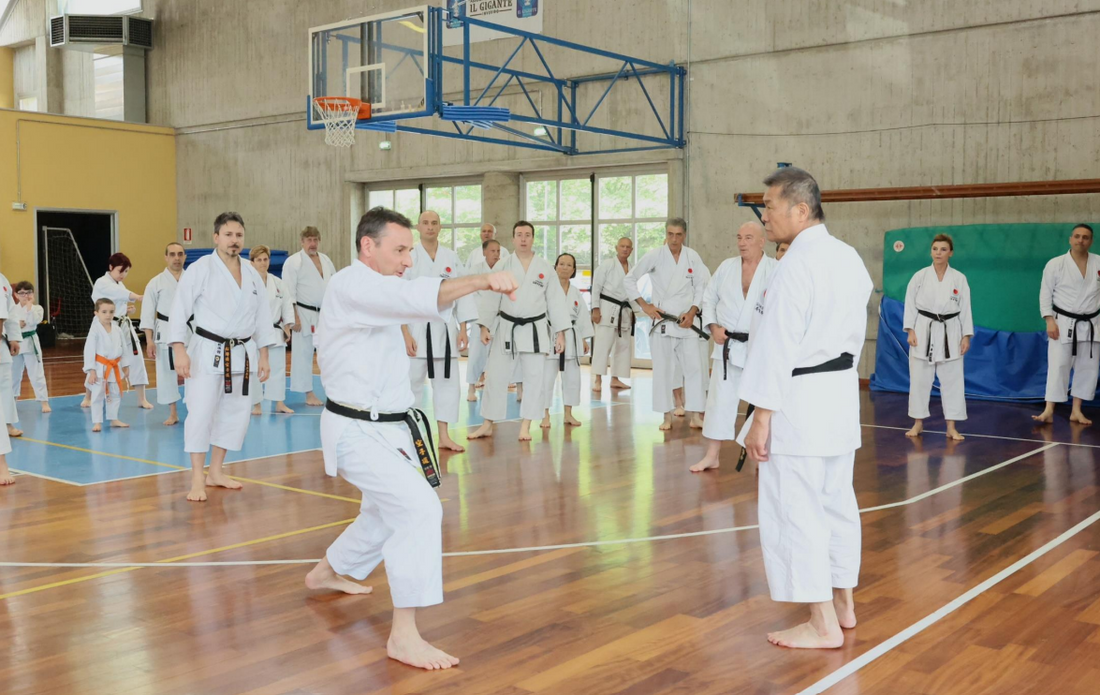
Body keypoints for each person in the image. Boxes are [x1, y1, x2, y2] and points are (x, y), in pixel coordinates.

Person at [304, 206, 519, 671]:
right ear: (368, 246)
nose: (407, 259)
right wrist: (483, 280)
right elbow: (418, 295)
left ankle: (328, 570)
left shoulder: (376, 290)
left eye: (408, 250)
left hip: (392, 428)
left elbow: (405, 301)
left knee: (383, 514)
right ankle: (404, 636)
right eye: (399, 250)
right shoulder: (350, 283)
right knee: (420, 510)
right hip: (356, 431)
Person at [739, 167, 873, 649]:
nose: (764, 215)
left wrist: (761, 416)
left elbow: (777, 344)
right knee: (837, 503)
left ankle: (821, 624)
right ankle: (844, 604)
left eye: (769, 206)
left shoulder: (795, 264)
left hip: (798, 401)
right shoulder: (848, 256)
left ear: (800, 209)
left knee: (795, 510)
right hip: (838, 396)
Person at [168, 212, 274, 502]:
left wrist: (264, 354)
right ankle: (196, 479)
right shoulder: (201, 269)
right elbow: (179, 309)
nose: (234, 240)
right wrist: (179, 349)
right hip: (206, 351)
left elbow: (263, 317)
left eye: (239, 235)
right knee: (201, 413)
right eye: (228, 235)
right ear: (216, 237)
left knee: (234, 414)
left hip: (242, 352)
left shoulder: (252, 274)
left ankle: (216, 471)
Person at [468, 221, 569, 442]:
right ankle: (487, 423)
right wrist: (484, 326)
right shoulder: (503, 265)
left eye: (527, 235)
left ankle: (526, 425)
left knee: (535, 378)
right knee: (495, 375)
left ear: (533, 238)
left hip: (535, 329)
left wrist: (560, 332)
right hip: (506, 327)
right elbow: (490, 297)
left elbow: (556, 302)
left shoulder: (544, 268)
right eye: (519, 235)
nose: (523, 239)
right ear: (513, 239)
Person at [691, 221, 777, 472]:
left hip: (759, 346)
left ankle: (762, 456)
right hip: (727, 344)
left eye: (748, 238)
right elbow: (709, 298)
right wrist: (713, 327)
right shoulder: (726, 267)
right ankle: (712, 455)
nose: (742, 242)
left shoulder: (775, 268)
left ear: (762, 241)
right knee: (719, 401)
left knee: (764, 401)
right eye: (739, 237)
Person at [623, 218, 710, 431]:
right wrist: (645, 305)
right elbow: (629, 279)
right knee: (663, 370)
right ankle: (666, 415)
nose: (674, 238)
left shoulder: (692, 257)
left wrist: (693, 311)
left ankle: (696, 415)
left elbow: (701, 286)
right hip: (663, 322)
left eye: (678, 234)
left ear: (684, 235)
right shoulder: (655, 255)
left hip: (687, 322)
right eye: (670, 234)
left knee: (695, 370)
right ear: (666, 233)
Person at [403, 211, 476, 452]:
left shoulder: (451, 257)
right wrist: (404, 332)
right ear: (418, 226)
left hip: (445, 329)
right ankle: (409, 436)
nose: (430, 227)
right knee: (410, 384)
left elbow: (462, 291)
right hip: (416, 327)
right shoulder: (409, 256)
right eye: (425, 223)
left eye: (434, 223)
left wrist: (463, 328)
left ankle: (444, 436)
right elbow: (399, 296)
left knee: (447, 384)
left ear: (440, 227)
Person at [904, 234, 973, 440]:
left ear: (950, 253)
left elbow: (965, 308)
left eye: (943, 249)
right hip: (923, 329)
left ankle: (951, 426)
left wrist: (966, 336)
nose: (938, 253)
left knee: (952, 380)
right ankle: (917, 423)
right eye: (935, 249)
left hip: (950, 330)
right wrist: (910, 330)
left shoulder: (959, 278)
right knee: (919, 380)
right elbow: (909, 303)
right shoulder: (920, 276)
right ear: (930, 251)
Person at [1034, 224, 1100, 426]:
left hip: (1092, 323)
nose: (1081, 240)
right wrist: (1049, 320)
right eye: (1077, 236)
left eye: (1086, 237)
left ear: (1091, 241)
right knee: (1058, 365)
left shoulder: (1098, 262)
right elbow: (1045, 293)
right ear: (1070, 239)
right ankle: (1049, 409)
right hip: (1062, 322)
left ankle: (1076, 410)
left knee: (1087, 367)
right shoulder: (1056, 264)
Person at [87, 253, 153, 411]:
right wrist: (137, 297)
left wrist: (126, 310)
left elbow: (117, 300)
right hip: (105, 327)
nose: (123, 275)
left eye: (126, 272)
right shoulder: (102, 282)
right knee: (99, 361)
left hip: (123, 325)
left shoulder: (118, 283)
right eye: (120, 271)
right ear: (110, 268)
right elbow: (118, 294)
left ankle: (141, 398)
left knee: (136, 358)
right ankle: (88, 396)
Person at [282, 226, 335, 407]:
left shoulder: (326, 260)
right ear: (302, 241)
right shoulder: (293, 262)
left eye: (315, 240)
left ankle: (333, 390)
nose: (312, 243)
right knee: (303, 354)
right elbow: (288, 291)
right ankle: (308, 393)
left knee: (328, 353)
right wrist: (293, 317)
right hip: (303, 313)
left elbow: (334, 286)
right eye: (309, 240)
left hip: (325, 314)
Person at [540, 253, 594, 429]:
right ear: (555, 267)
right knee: (547, 378)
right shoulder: (546, 290)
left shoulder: (576, 292)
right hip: (551, 336)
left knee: (572, 378)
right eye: (561, 264)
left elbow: (582, 317)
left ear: (573, 270)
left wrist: (584, 339)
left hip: (571, 336)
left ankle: (568, 413)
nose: (564, 267)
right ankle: (545, 415)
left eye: (569, 265)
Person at [140, 243, 186, 426]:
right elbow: (147, 313)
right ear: (166, 257)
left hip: (190, 330)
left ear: (185, 256)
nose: (177, 258)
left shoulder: (193, 279)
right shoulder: (156, 282)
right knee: (167, 373)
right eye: (173, 254)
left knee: (196, 372)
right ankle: (173, 413)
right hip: (165, 330)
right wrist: (149, 341)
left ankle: (197, 411)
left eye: (180, 254)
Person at [249, 245, 296, 415]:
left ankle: (279, 402)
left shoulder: (278, 283)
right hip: (253, 334)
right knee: (254, 369)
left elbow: (287, 305)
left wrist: (288, 326)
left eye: (265, 259)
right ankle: (256, 404)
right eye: (259, 260)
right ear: (252, 263)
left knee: (277, 368)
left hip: (275, 330)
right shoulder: (247, 283)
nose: (263, 263)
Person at [590, 237, 637, 394]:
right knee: (603, 344)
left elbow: (632, 291)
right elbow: (596, 286)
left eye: (628, 247)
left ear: (632, 250)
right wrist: (595, 308)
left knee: (622, 346)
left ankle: (615, 378)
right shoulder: (607, 264)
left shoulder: (632, 267)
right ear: (616, 247)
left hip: (624, 310)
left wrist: (634, 311)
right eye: (622, 246)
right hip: (606, 308)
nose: (625, 249)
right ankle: (597, 378)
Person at [466, 239, 503, 402]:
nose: (495, 254)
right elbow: (472, 296)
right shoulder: (475, 271)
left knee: (501, 355)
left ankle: (500, 387)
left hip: (500, 318)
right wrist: (483, 320)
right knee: (476, 354)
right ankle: (471, 387)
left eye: (498, 251)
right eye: (492, 251)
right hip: (479, 318)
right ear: (484, 252)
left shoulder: (504, 270)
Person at [84, 298, 129, 432]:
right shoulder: (95, 330)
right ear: (96, 313)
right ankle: (97, 421)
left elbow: (124, 348)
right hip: (100, 367)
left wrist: (126, 365)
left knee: (115, 393)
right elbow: (89, 350)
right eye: (104, 312)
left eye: (111, 312)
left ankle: (114, 418)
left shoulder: (117, 329)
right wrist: (91, 371)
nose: (108, 315)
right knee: (97, 394)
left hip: (115, 366)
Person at [11, 282, 50, 414]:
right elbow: (6, 325)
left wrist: (28, 307)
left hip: (30, 341)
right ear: (16, 295)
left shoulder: (37, 308)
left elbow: (35, 320)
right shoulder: (12, 309)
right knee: (14, 374)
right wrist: (17, 324)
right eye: (21, 293)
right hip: (15, 343)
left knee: (36, 373)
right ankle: (12, 400)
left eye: (28, 292)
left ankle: (43, 401)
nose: (25, 296)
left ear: (33, 294)